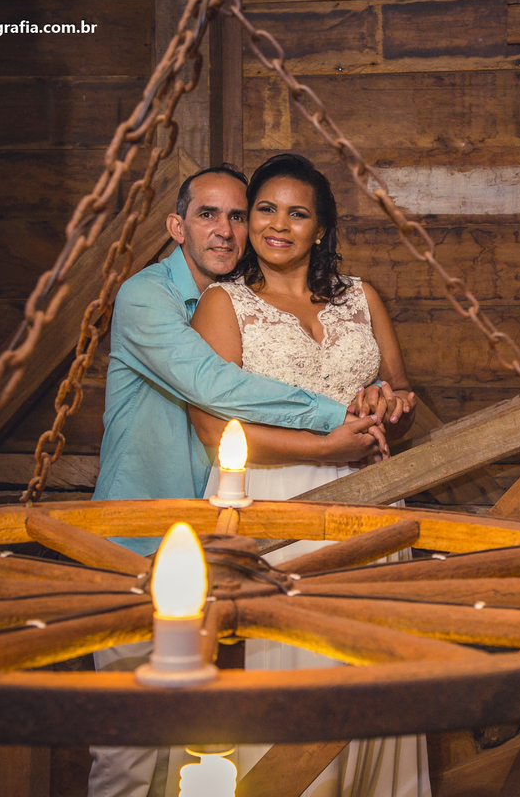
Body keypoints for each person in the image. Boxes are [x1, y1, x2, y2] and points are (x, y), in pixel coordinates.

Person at [88, 163, 392, 797]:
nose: (225, 230)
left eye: (235, 214)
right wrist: (335, 415)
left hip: (224, 534)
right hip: (143, 532)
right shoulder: (146, 297)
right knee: (131, 739)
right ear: (176, 226)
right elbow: (214, 387)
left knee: (204, 722)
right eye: (207, 215)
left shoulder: (236, 299)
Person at [187, 153, 425, 797]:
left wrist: (389, 406)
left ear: (320, 229)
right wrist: (325, 450)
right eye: (265, 209)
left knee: (367, 666)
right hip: (270, 501)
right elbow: (212, 430)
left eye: (297, 213)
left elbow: (403, 395)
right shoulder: (223, 304)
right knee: (291, 670)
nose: (277, 224)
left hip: (370, 502)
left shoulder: (361, 297)